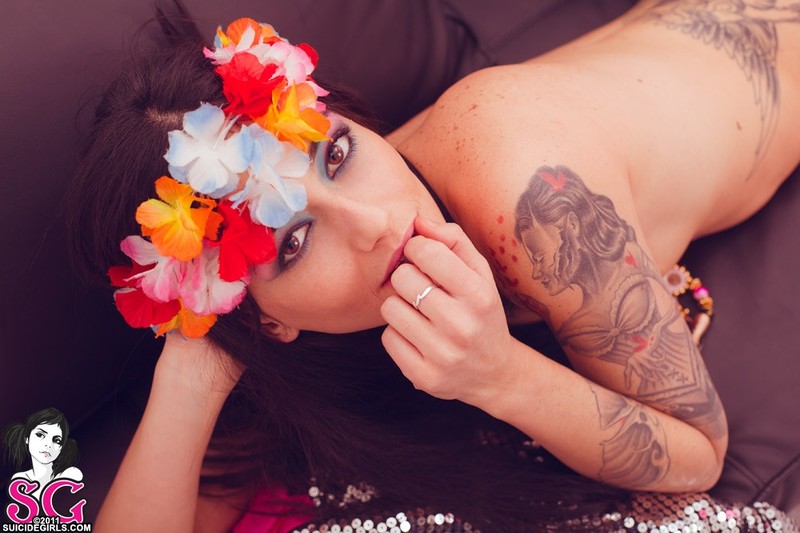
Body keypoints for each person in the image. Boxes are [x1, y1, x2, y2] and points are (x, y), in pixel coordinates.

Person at [65, 1, 800, 531]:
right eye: (293, 242)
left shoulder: (531, 196)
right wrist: (192, 367)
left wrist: (499, 375)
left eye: (338, 153)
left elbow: (700, 454)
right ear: (262, 319)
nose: (377, 220)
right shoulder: (292, 344)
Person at [2, 408, 83, 502]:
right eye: (40, 435)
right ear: (26, 438)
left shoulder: (71, 475)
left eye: (57, 440)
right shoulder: (19, 481)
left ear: (61, 448)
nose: (48, 445)